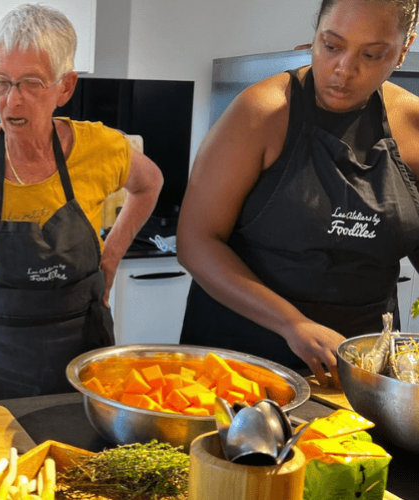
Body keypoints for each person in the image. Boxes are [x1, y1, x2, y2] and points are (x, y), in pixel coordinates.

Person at [177, 0, 419, 386]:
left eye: (371, 54)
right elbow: (195, 242)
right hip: (243, 364)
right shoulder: (260, 113)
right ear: (316, 34)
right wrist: (293, 324)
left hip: (359, 374)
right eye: (332, 45)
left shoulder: (412, 123)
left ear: (404, 50)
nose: (344, 68)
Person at [0, 4, 164, 403]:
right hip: (1, 352)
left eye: (31, 83)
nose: (12, 101)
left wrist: (110, 259)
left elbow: (150, 183)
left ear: (65, 87)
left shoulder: (101, 147)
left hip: (83, 342)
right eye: (1, 82)